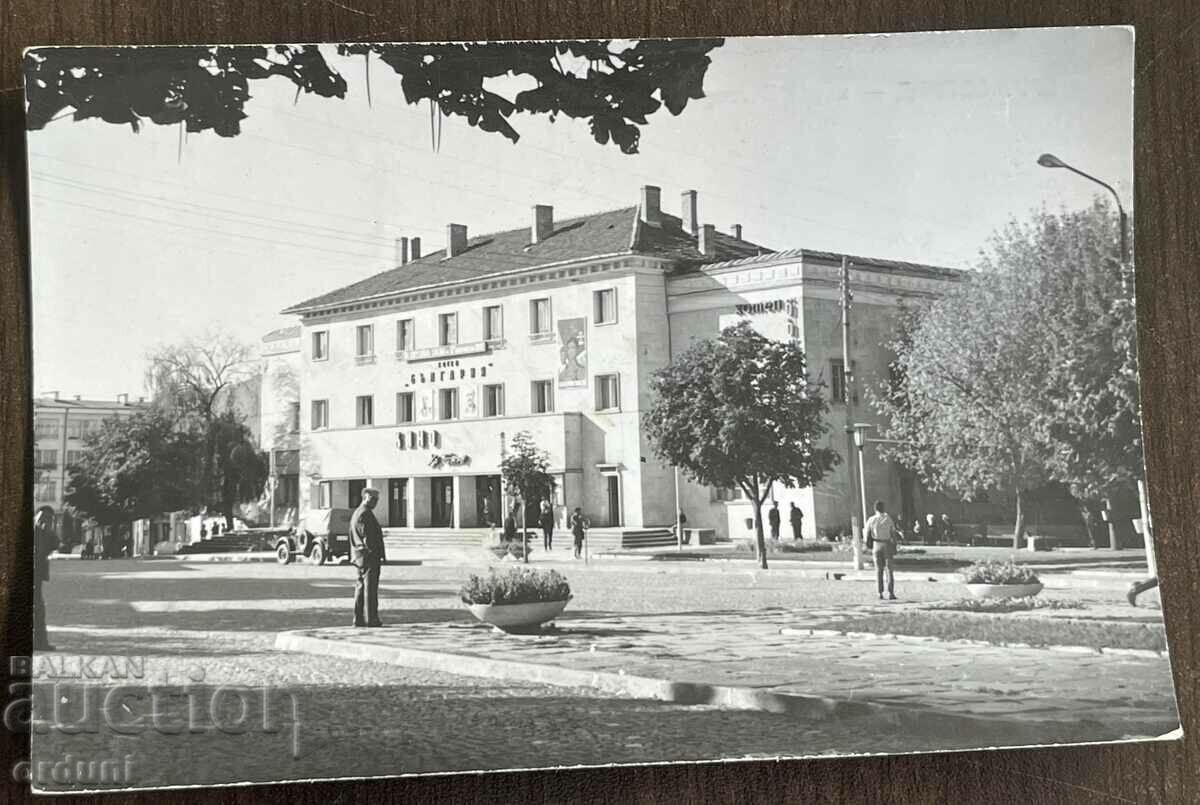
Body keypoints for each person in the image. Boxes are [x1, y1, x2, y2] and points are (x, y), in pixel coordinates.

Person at [349, 487, 387, 627]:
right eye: (373, 499)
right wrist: (375, 553)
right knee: (370, 589)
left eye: (377, 500)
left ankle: (359, 618)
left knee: (361, 588)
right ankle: (371, 619)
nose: (375, 502)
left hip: (360, 557)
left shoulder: (358, 512)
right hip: (368, 557)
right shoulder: (365, 514)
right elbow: (368, 538)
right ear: (365, 497)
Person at [865, 499, 899, 601]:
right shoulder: (888, 519)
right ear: (883, 508)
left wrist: (868, 545)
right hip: (887, 544)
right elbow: (893, 533)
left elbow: (867, 534)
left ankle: (879, 592)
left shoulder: (871, 520)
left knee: (878, 570)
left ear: (875, 508)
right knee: (889, 569)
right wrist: (895, 545)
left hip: (876, 544)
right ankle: (891, 592)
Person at [33, 506, 56, 651]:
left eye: (48, 519)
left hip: (37, 576)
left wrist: (47, 529)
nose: (44, 521)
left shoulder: (47, 534)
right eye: (42, 518)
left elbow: (54, 544)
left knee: (39, 609)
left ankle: (40, 642)